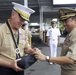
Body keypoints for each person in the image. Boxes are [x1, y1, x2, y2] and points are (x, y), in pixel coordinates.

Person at [34, 8, 76, 75]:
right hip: (66, 71)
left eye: (66, 21)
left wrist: (46, 58)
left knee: (54, 51)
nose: (64, 24)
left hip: (72, 72)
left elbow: (71, 59)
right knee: (52, 51)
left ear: (75, 20)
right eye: (63, 21)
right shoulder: (71, 33)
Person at [0, 2, 35, 75]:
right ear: (13, 15)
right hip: (4, 70)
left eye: (24, 21)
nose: (22, 23)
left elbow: (26, 48)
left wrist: (32, 51)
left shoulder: (23, 32)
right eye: (21, 19)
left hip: (20, 69)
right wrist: (10, 64)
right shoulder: (1, 31)